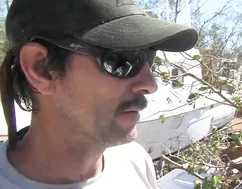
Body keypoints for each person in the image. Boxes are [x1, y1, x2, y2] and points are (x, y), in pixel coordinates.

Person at [0, 0, 198, 188]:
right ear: (41, 68)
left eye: (148, 56)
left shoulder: (135, 161)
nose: (150, 84)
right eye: (122, 58)